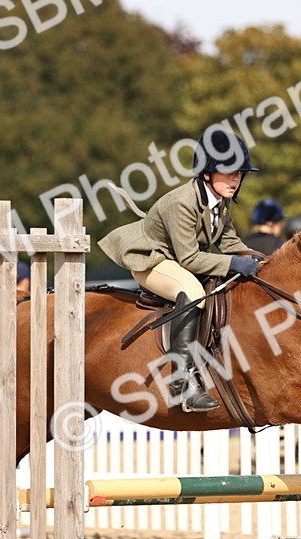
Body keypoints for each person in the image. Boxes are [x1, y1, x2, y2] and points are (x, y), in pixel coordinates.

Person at [99, 128, 262, 412]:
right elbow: (190, 260)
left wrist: (260, 260)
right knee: (192, 290)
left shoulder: (220, 202)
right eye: (229, 172)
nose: (235, 179)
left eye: (240, 173)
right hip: (152, 261)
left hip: (178, 260)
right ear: (207, 173)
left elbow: (230, 241)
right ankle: (182, 382)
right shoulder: (182, 202)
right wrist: (234, 263)